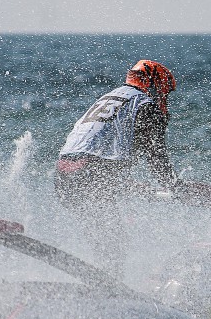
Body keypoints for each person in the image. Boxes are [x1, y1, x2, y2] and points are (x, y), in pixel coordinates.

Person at [54, 60, 181, 267]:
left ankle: (100, 276)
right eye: (165, 94)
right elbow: (157, 159)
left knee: (106, 236)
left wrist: (132, 187)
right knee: (114, 242)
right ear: (155, 86)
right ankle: (107, 284)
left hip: (63, 174)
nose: (164, 100)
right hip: (90, 172)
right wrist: (176, 187)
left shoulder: (112, 97)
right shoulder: (145, 105)